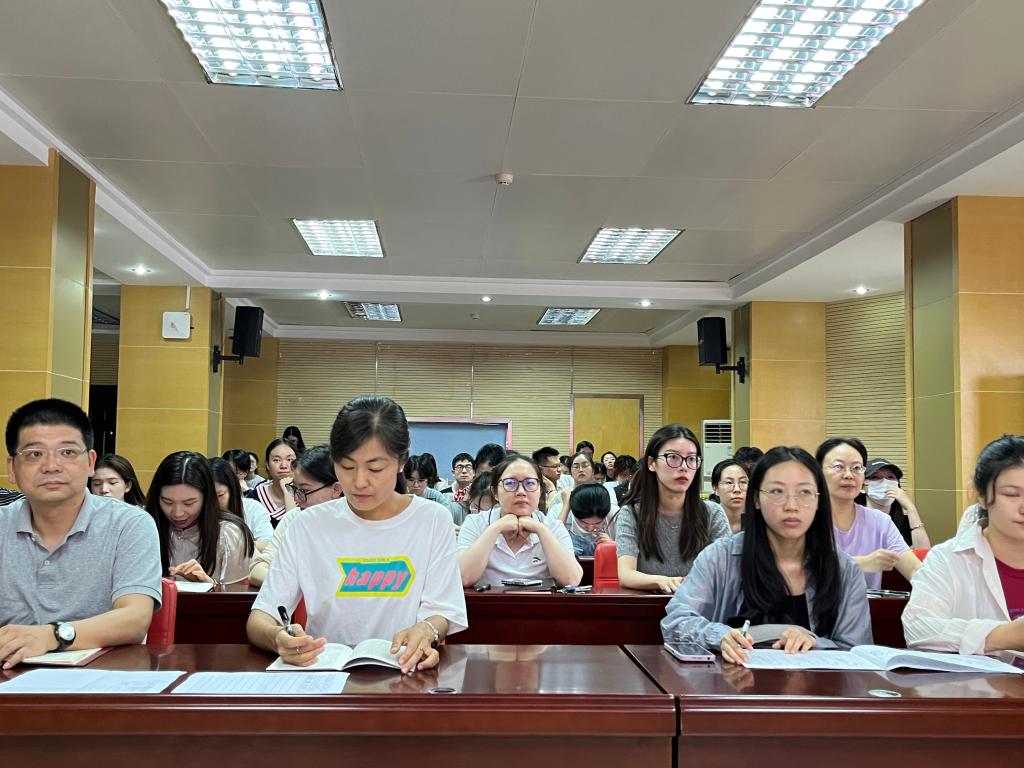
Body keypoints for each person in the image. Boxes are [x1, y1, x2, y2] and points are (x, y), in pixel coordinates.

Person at [248, 396, 467, 673]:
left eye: (375, 468)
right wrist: (277, 638)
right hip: (324, 674)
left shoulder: (431, 520)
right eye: (347, 467)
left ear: (401, 461)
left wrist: (426, 630)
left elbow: (443, 611)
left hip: (403, 672)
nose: (359, 482)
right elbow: (260, 618)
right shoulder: (307, 525)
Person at [662, 446, 872, 663]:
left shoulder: (845, 570)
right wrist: (720, 636)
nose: (792, 506)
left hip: (814, 683)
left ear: (819, 500)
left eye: (805, 492)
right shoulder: (720, 557)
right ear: (755, 499)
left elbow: (857, 650)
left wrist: (814, 642)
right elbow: (676, 620)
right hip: (731, 681)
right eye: (777, 492)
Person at [0, 399, 161, 668]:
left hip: (104, 679)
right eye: (34, 454)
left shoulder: (130, 524)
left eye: (67, 452)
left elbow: (135, 618)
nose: (51, 466)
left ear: (90, 462)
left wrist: (52, 636)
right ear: (11, 469)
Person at [903, 435, 1024, 655]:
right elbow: (918, 628)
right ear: (981, 497)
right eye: (1011, 494)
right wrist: (1004, 636)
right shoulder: (948, 559)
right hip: (984, 678)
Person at [617, 425, 731, 594]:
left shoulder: (713, 513)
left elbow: (726, 573)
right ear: (651, 463)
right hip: (648, 604)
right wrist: (661, 581)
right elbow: (626, 574)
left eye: (691, 459)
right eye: (673, 457)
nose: (684, 466)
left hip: (701, 605)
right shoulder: (632, 513)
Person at [458, 454, 582, 588]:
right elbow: (463, 577)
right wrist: (496, 528)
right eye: (510, 483)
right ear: (495, 492)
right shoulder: (475, 523)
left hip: (542, 601)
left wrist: (541, 530)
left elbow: (571, 580)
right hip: (487, 601)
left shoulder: (553, 527)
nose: (521, 492)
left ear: (540, 491)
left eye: (530, 483)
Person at [816, 437, 920, 590]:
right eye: (839, 467)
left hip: (864, 606)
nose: (849, 475)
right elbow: (800, 569)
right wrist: (862, 563)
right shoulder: (805, 518)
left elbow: (914, 569)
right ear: (818, 473)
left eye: (856, 468)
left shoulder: (880, 522)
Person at [147, 452, 254, 586]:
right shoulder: (144, 528)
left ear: (207, 498)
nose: (178, 513)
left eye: (189, 503)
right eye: (167, 502)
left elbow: (237, 592)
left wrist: (209, 584)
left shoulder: (228, 533)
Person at [248, 444, 343, 587]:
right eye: (294, 489)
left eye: (304, 491)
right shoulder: (294, 518)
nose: (297, 499)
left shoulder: (357, 522)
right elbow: (257, 571)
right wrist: (299, 585)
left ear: (336, 489)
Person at [861, 458, 930, 548]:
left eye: (890, 477)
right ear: (862, 487)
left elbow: (923, 553)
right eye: (875, 477)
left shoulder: (905, 523)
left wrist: (911, 508)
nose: (885, 482)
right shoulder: (853, 520)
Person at [209, 457, 273, 551]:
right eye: (206, 497)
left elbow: (267, 544)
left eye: (220, 495)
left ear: (232, 489)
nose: (212, 502)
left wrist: (234, 546)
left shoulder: (252, 508)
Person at [403, 454, 466, 526]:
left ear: (428, 480)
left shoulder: (437, 497)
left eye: (421, 480)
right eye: (411, 480)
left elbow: (446, 518)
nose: (416, 485)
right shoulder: (400, 496)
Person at [249, 438, 296, 526]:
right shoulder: (255, 496)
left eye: (289, 460)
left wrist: (288, 493)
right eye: (276, 460)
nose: (284, 466)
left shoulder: (307, 495)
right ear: (267, 465)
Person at [567, 483, 617, 557]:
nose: (590, 529)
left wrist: (613, 545)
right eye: (583, 522)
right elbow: (552, 543)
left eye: (598, 523)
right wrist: (566, 507)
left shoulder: (615, 515)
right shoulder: (561, 511)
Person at [712, 459, 749, 534]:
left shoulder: (757, 523)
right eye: (729, 482)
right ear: (715, 488)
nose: (737, 489)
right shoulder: (707, 522)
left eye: (743, 482)